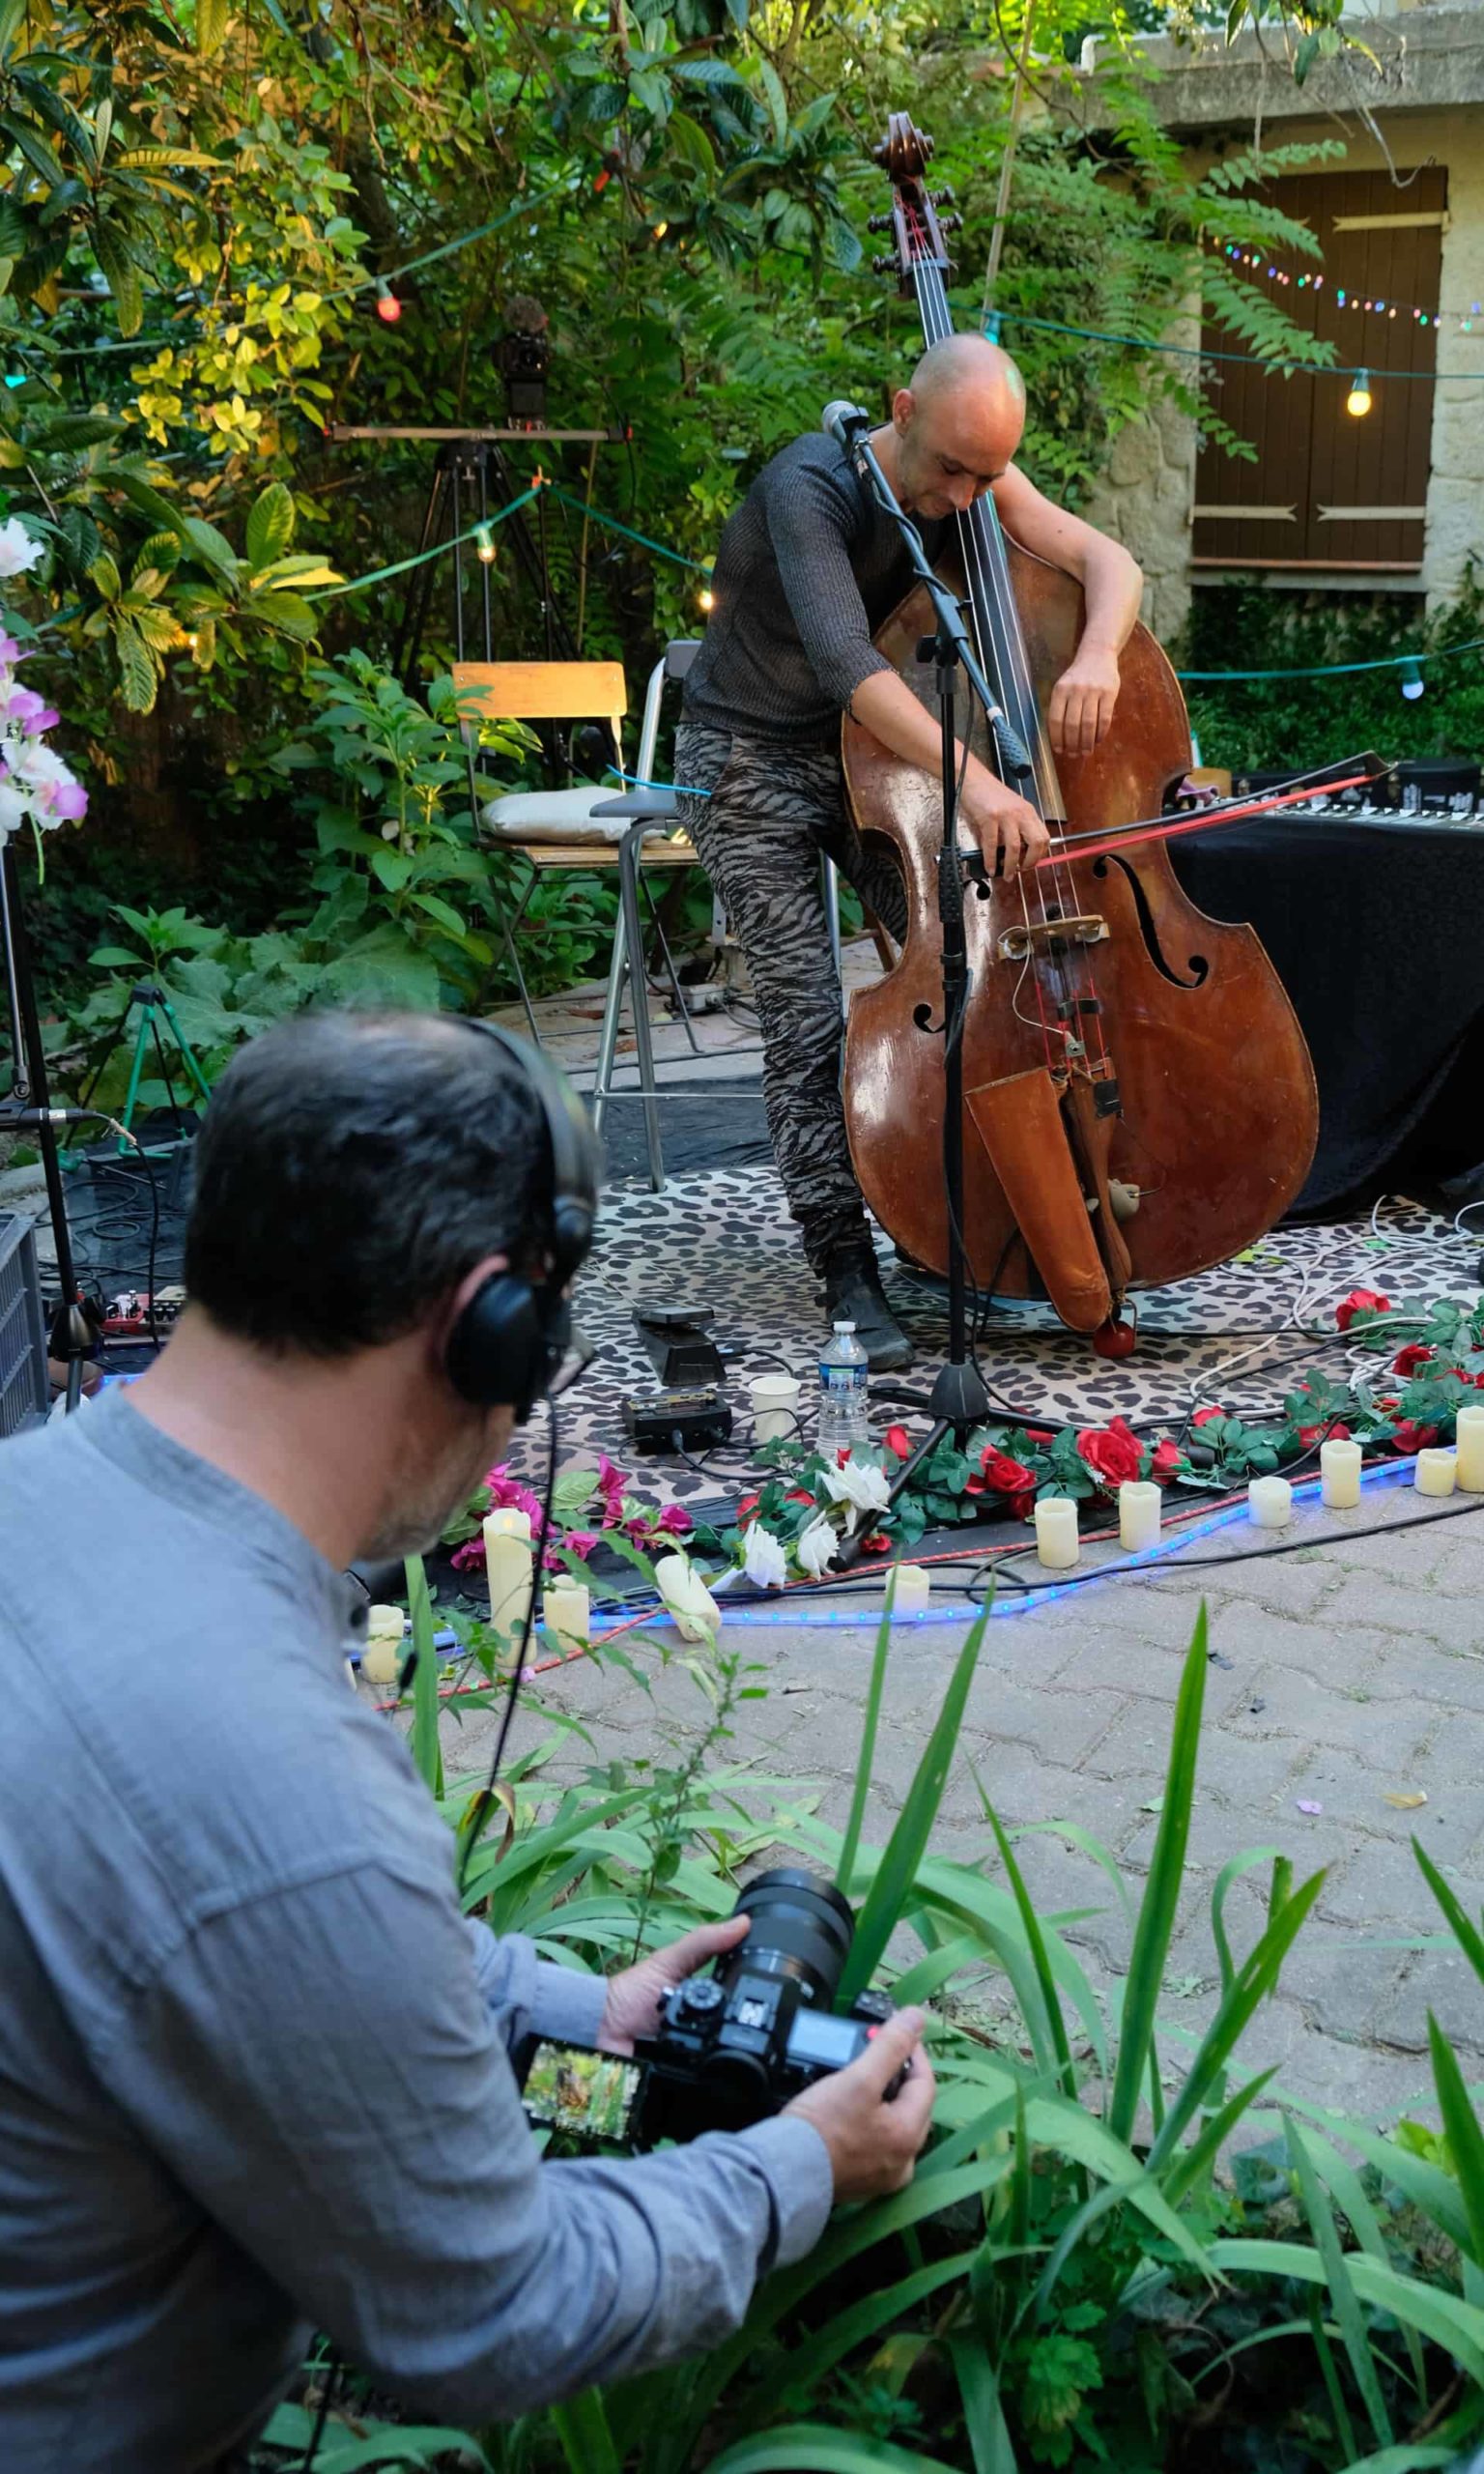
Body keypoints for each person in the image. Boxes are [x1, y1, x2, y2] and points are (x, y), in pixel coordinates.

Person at [0, 1009, 935, 2474]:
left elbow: (229, 1946)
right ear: (492, 1325)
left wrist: (583, 2013)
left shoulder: (37, 1498)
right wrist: (799, 2166)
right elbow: (489, 2312)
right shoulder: (286, 1783)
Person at [676, 332, 1147, 1371]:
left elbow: (1109, 561)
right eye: (953, 471)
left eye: (989, 475)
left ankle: (948, 1209)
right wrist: (978, 786)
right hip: (751, 759)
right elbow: (850, 666)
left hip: (878, 765)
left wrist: (1099, 655)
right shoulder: (810, 486)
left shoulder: (974, 474)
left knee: (967, 968)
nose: (969, 498)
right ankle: (843, 1262)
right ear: (903, 410)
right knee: (807, 1015)